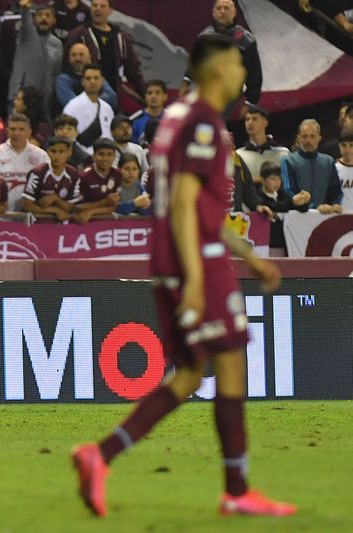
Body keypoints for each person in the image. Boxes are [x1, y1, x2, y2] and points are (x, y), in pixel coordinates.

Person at [71, 34, 295, 518]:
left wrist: (249, 257)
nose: (243, 74)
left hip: (173, 259)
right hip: (196, 263)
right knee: (230, 363)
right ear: (217, 70)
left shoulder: (174, 119)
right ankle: (237, 490)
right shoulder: (203, 124)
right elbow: (187, 206)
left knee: (191, 373)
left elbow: (198, 209)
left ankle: (100, 455)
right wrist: (196, 277)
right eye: (238, 65)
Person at [181, 0, 262, 109]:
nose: (222, 11)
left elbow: (255, 75)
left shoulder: (245, 40)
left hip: (231, 100)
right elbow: (195, 64)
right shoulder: (204, 36)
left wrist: (250, 102)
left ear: (234, 12)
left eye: (226, 8)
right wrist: (186, 81)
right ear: (213, 13)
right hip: (204, 96)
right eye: (219, 8)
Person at [64, 0, 145, 100]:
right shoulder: (78, 35)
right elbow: (67, 65)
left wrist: (145, 94)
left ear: (110, 10)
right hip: (85, 96)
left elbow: (133, 71)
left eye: (102, 6)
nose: (98, 9)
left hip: (112, 96)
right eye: (95, 5)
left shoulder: (120, 37)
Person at [8, 0, 62, 111]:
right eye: (40, 15)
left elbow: (55, 74)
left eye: (48, 15)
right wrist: (25, 8)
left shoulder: (57, 44)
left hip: (43, 101)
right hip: (19, 97)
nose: (44, 18)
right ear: (34, 19)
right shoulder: (27, 35)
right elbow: (25, 21)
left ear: (54, 21)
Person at [281, 119, 343, 214]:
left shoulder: (328, 161)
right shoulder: (289, 160)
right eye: (304, 136)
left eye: (312, 136)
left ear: (319, 137)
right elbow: (289, 191)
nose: (308, 140)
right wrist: (314, 207)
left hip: (325, 214)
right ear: (298, 138)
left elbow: (336, 190)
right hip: (298, 215)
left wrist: (336, 204)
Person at [0, 113, 51, 212]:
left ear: (29, 132)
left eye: (21, 129)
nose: (16, 133)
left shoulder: (41, 156)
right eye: (13, 129)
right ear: (7, 131)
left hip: (32, 216)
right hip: (1, 215)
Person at [21, 135, 81, 222]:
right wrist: (55, 210)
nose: (56, 156)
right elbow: (26, 205)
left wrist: (56, 199)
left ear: (69, 152)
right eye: (53, 151)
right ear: (48, 152)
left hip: (62, 226)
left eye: (61, 152)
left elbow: (71, 207)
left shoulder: (73, 174)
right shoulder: (37, 173)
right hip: (37, 224)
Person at [62, 64, 114, 155]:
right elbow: (66, 137)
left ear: (102, 81)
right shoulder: (72, 106)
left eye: (96, 78)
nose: (92, 82)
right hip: (83, 156)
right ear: (82, 82)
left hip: (107, 155)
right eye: (88, 78)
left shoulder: (107, 108)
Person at [235, 105, 289, 187]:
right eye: (247, 119)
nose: (250, 122)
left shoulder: (283, 154)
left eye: (254, 119)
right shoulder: (238, 155)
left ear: (265, 122)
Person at [55, 42, 118, 112]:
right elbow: (72, 105)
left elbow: (112, 98)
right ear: (69, 59)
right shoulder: (63, 79)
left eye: (81, 54)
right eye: (74, 55)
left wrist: (87, 102)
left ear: (89, 58)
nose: (77, 58)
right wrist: (96, 100)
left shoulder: (96, 75)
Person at [73, 137, 121, 223]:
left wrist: (92, 211)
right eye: (101, 154)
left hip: (107, 223)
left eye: (109, 154)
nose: (105, 158)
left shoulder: (118, 174)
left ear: (114, 157)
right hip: (83, 223)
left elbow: (114, 206)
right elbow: (76, 207)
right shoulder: (84, 176)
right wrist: (104, 202)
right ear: (94, 156)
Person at [257, 162, 294, 249]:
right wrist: (292, 202)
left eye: (279, 178)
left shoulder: (282, 194)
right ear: (263, 180)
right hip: (266, 243)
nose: (277, 182)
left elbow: (293, 207)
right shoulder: (257, 197)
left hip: (284, 242)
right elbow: (274, 207)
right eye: (272, 179)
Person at [130, 80, 168, 145]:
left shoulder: (172, 119)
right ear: (145, 96)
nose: (153, 96)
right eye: (149, 93)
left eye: (157, 93)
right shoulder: (133, 120)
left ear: (165, 96)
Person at [336, 128, 353, 212]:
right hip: (338, 215)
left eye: (351, 145)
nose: (347, 149)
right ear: (339, 146)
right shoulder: (333, 167)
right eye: (344, 145)